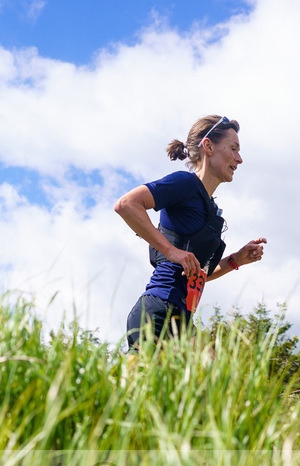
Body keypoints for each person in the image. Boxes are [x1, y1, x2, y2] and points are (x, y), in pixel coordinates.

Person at [114, 115, 267, 350]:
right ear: (208, 146)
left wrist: (237, 260)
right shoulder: (184, 183)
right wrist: (171, 251)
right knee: (143, 385)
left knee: (216, 381)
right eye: (233, 148)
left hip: (182, 318)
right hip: (159, 310)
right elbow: (126, 204)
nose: (239, 159)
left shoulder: (210, 208)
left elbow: (197, 272)